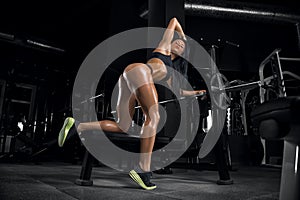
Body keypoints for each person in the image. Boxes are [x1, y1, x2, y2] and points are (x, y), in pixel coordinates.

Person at [58, 17, 206, 190]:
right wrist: (184, 37)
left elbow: (180, 93)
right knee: (154, 117)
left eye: (182, 46)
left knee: (123, 126)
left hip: (127, 77)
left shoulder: (172, 74)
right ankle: (143, 169)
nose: (179, 44)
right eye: (178, 43)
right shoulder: (163, 48)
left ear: (182, 54)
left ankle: (78, 125)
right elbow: (173, 21)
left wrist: (198, 92)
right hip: (140, 71)